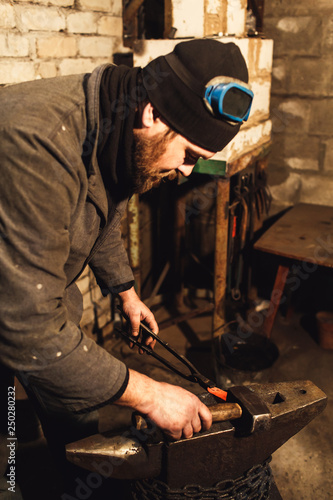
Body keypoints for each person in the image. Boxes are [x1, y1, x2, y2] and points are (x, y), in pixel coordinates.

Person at [0, 38, 253, 495]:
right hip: (18, 313)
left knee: (73, 412)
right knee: (12, 444)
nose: (189, 172)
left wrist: (126, 292)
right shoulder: (37, 146)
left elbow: (104, 211)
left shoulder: (116, 117)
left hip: (35, 300)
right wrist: (151, 393)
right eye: (191, 155)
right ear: (154, 114)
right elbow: (28, 331)